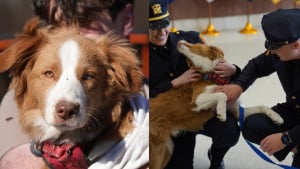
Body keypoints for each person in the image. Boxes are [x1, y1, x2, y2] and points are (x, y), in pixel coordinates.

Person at [0, 0, 149, 169]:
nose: (71, 33)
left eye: (86, 21)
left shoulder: (150, 105)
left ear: (127, 19)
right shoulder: (17, 99)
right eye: (55, 24)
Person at [149, 0, 241, 169]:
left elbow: (219, 69)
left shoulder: (190, 39)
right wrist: (173, 83)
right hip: (170, 118)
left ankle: (216, 158)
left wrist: (234, 69)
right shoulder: (139, 55)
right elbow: (141, 97)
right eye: (153, 27)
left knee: (229, 131)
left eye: (164, 24)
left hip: (203, 110)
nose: (161, 32)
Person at [215, 9, 300, 168]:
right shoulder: (284, 51)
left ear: (296, 44)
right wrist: (238, 85)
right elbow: (256, 65)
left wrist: (286, 139)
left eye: (275, 47)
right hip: (295, 110)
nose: (272, 51)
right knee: (253, 126)